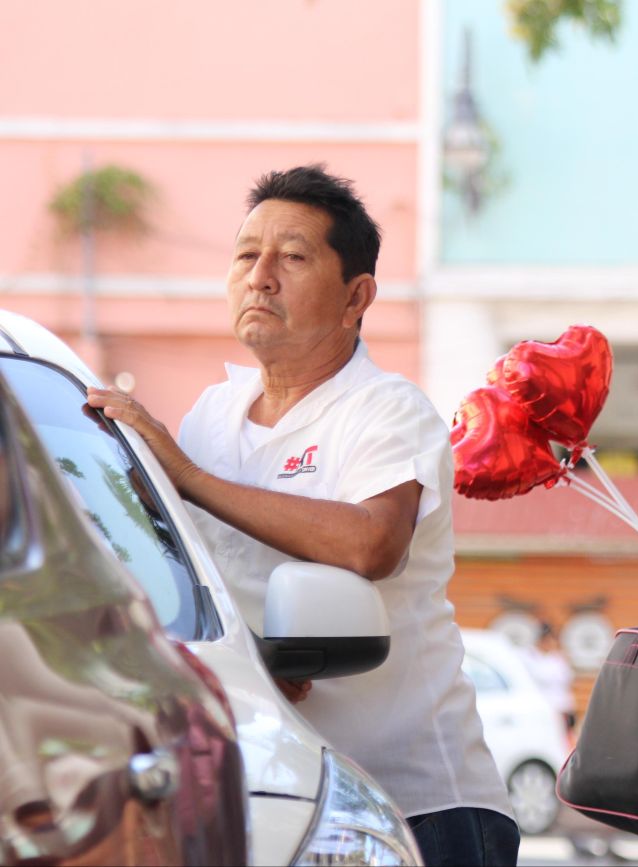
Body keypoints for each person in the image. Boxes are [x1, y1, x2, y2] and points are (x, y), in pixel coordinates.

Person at [86, 164, 519, 867]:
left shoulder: (388, 408)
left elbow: (370, 543)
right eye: (245, 255)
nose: (260, 276)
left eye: (291, 256)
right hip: (258, 794)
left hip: (411, 810)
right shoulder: (210, 415)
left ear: (357, 297)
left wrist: (189, 479)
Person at [522, 622, 576, 735]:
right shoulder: (527, 657)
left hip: (561, 708)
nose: (551, 642)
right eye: (548, 639)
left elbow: (566, 682)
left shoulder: (558, 658)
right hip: (540, 709)